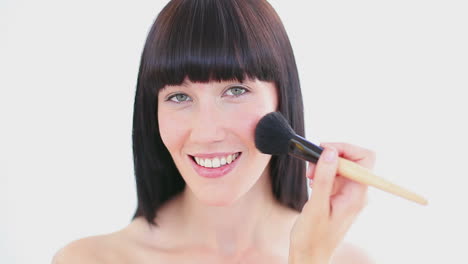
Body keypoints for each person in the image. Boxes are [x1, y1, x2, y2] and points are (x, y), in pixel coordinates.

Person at [53, 0, 375, 263]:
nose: (206, 133)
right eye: (179, 96)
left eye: (235, 90)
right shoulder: (88, 259)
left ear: (281, 98)